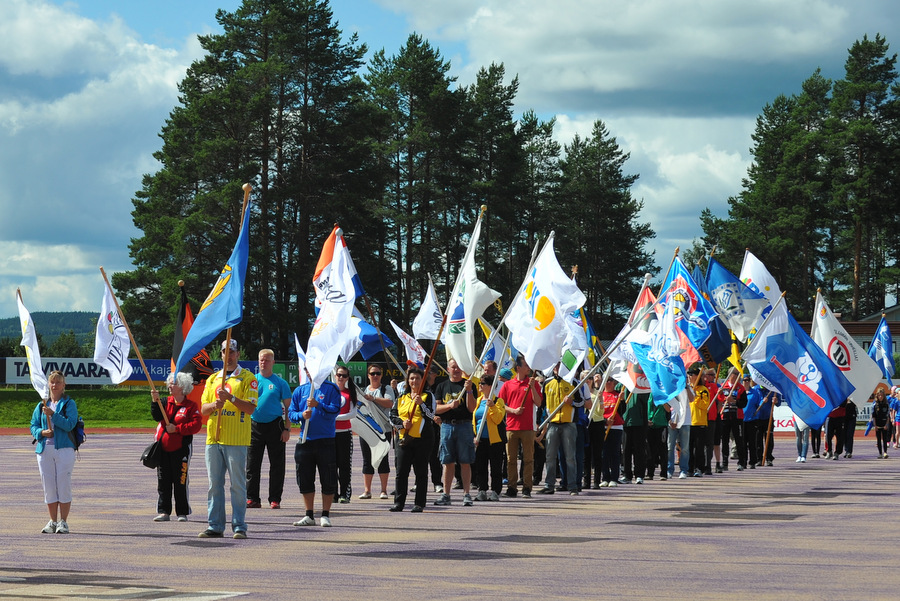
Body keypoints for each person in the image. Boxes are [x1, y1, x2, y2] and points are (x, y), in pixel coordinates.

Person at [198, 338, 259, 539]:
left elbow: (250, 408)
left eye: (232, 352)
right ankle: (215, 525)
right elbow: (203, 409)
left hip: (236, 439)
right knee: (214, 485)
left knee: (237, 485)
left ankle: (239, 526)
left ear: (238, 354)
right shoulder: (213, 379)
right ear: (221, 354)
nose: (229, 356)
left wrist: (231, 398)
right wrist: (216, 405)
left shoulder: (248, 378)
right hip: (213, 439)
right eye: (225, 352)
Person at [289, 373, 342, 527]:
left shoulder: (331, 388)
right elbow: (291, 413)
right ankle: (309, 515)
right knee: (304, 478)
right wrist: (301, 415)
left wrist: (319, 405)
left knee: (328, 478)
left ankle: (325, 514)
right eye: (309, 370)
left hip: (326, 440)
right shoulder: (300, 390)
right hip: (305, 440)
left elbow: (335, 410)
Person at [30, 370, 79, 534]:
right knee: (49, 486)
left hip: (64, 449)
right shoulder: (41, 404)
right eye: (52, 382)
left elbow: (70, 424)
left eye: (58, 382)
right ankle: (52, 521)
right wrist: (41, 433)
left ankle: (63, 522)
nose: (54, 385)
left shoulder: (69, 403)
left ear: (63, 385)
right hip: (45, 450)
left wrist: (53, 415)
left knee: (63, 485)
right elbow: (33, 425)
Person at [150, 372, 202, 522]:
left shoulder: (191, 406)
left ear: (183, 387)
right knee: (163, 481)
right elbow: (156, 416)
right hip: (163, 448)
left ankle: (182, 512)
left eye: (174, 383)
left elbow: (196, 425)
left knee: (180, 480)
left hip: (181, 450)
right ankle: (163, 511)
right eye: (170, 383)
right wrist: (155, 402)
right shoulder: (165, 402)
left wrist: (178, 429)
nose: (170, 386)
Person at [246, 349, 292, 510]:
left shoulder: (280, 383)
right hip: (254, 426)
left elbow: (289, 407)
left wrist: (287, 429)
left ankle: (275, 498)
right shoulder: (252, 381)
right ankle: (252, 498)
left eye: (266, 360)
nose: (263, 363)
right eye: (261, 360)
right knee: (252, 464)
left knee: (277, 465)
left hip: (275, 426)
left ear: (273, 362)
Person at [390, 367, 436, 512]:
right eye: (411, 378)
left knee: (421, 471)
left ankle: (419, 503)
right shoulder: (401, 397)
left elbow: (431, 415)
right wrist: (402, 423)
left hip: (423, 439)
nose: (414, 381)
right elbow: (392, 416)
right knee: (401, 471)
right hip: (404, 438)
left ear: (423, 380)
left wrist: (421, 404)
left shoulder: (428, 396)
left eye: (417, 378)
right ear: (408, 381)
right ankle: (399, 502)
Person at [432, 359, 477, 506]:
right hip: (446, 427)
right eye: (453, 367)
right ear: (448, 369)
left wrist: (469, 391)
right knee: (447, 461)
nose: (456, 370)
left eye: (458, 367)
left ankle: (466, 494)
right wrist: (450, 406)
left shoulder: (469, 385)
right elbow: (436, 409)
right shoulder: (441, 386)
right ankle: (446, 494)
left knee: (465, 461)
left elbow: (471, 408)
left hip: (464, 426)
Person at [498, 355, 543, 498]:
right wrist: (513, 411)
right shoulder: (507, 385)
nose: (528, 368)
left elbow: (539, 403)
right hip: (511, 427)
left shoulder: (533, 383)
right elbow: (501, 405)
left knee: (528, 459)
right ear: (518, 368)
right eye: (526, 365)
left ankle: (526, 488)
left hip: (528, 427)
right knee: (511, 459)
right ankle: (511, 487)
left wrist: (532, 388)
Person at [538, 364, 578, 495]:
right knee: (550, 456)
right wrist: (540, 422)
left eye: (559, 365)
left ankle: (572, 486)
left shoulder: (573, 381)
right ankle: (549, 485)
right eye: (555, 366)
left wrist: (572, 402)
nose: (556, 368)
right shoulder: (547, 382)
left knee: (570, 457)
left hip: (568, 423)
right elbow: (542, 405)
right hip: (552, 423)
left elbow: (582, 402)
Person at [359, 364, 395, 500]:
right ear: (368, 375)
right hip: (367, 430)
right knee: (367, 460)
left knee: (382, 459)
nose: (375, 376)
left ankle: (383, 490)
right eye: (372, 373)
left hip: (383, 429)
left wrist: (373, 398)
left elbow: (390, 403)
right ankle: (367, 490)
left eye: (378, 373)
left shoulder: (386, 389)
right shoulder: (363, 391)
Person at [472, 375, 506, 501]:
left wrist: (492, 407)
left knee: (496, 467)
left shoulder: (498, 401)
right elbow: (474, 420)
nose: (480, 385)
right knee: (480, 466)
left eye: (483, 383)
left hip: (495, 440)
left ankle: (496, 491)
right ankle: (482, 489)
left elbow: (498, 419)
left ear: (491, 387)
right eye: (480, 383)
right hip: (480, 440)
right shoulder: (478, 400)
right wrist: (474, 435)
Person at [333, 365, 357, 503]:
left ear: (347, 378)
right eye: (339, 375)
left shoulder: (350, 393)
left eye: (344, 375)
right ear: (335, 375)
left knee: (344, 465)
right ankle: (333, 494)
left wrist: (334, 417)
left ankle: (345, 494)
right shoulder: (330, 391)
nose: (340, 378)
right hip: (330, 434)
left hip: (345, 434)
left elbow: (353, 414)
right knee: (331, 465)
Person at [600, 380, 625, 487]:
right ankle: (605, 477)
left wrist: (622, 400)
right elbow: (597, 411)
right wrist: (605, 421)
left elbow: (622, 411)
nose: (609, 383)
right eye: (607, 381)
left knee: (614, 453)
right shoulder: (600, 395)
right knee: (603, 453)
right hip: (603, 426)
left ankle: (614, 478)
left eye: (611, 381)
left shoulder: (617, 395)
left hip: (616, 426)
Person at [688, 366, 710, 477]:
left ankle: (699, 468)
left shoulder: (703, 390)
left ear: (697, 376)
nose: (689, 377)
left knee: (699, 449)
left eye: (691, 375)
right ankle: (689, 469)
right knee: (688, 448)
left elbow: (705, 405)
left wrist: (695, 397)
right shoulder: (688, 389)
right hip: (688, 422)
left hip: (700, 423)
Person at [667, 388, 692, 479]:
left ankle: (684, 470)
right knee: (670, 447)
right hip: (672, 422)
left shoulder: (688, 388)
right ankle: (669, 470)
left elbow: (692, 399)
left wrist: (687, 388)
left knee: (684, 448)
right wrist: (670, 420)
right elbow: (666, 405)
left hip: (685, 422)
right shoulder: (670, 387)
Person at [872, 389, 891, 459]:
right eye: (879, 395)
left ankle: (885, 452)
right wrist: (875, 425)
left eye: (882, 395)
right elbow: (873, 416)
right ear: (877, 395)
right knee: (878, 439)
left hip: (884, 424)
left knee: (885, 439)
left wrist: (886, 424)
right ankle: (880, 453)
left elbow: (887, 416)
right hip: (878, 424)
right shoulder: (875, 405)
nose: (880, 397)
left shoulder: (886, 404)